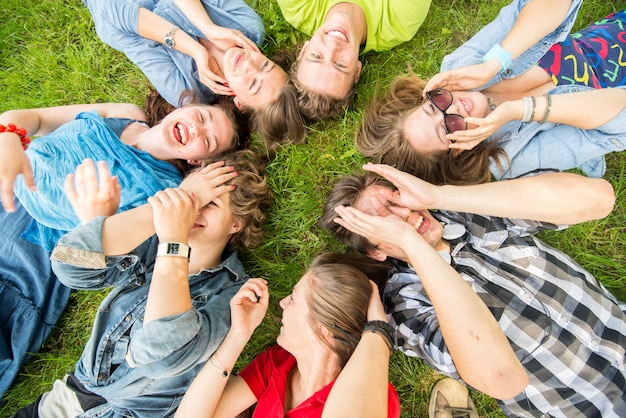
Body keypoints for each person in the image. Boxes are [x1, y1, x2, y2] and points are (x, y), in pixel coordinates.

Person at [321, 163, 626, 417]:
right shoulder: (406, 305)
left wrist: (438, 196)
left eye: (396, 202)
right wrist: (410, 242)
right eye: (385, 223)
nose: (403, 217)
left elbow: (598, 198)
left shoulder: (468, 213)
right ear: (375, 252)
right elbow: (500, 378)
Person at [0, 96, 241, 400]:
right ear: (183, 106)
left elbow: (90, 254)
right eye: (203, 116)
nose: (196, 129)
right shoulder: (126, 114)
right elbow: (34, 116)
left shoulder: (166, 194)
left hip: (28, 251)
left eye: (207, 140)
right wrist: (9, 136)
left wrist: (98, 219)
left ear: (197, 162)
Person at [13, 152, 272, 417]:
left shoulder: (233, 295)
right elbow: (70, 264)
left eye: (211, 204)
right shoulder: (149, 244)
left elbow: (159, 358)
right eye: (192, 198)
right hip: (58, 403)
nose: (194, 209)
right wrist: (165, 212)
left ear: (237, 223)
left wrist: (175, 240)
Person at [356, 0, 626, 185]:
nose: (453, 108)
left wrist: (494, 63)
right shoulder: (512, 157)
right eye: (448, 127)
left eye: (433, 106)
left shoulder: (459, 70)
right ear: (458, 151)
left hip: (609, 36)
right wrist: (520, 110)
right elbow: (620, 118)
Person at [176, 253, 452, 417]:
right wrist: (239, 334)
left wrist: (379, 330)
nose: (282, 303)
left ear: (323, 327)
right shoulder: (278, 363)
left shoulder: (368, 392)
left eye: (294, 299)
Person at [85, 0, 305, 143]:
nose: (250, 65)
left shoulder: (183, 88)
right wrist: (208, 26)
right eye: (265, 65)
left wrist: (195, 50)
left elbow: (114, 14)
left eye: (252, 84)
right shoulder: (246, 26)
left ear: (240, 103)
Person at [277, 0, 431, 120]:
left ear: (304, 50)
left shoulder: (298, 8)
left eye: (317, 56)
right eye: (339, 64)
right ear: (357, 70)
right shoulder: (399, 22)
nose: (332, 47)